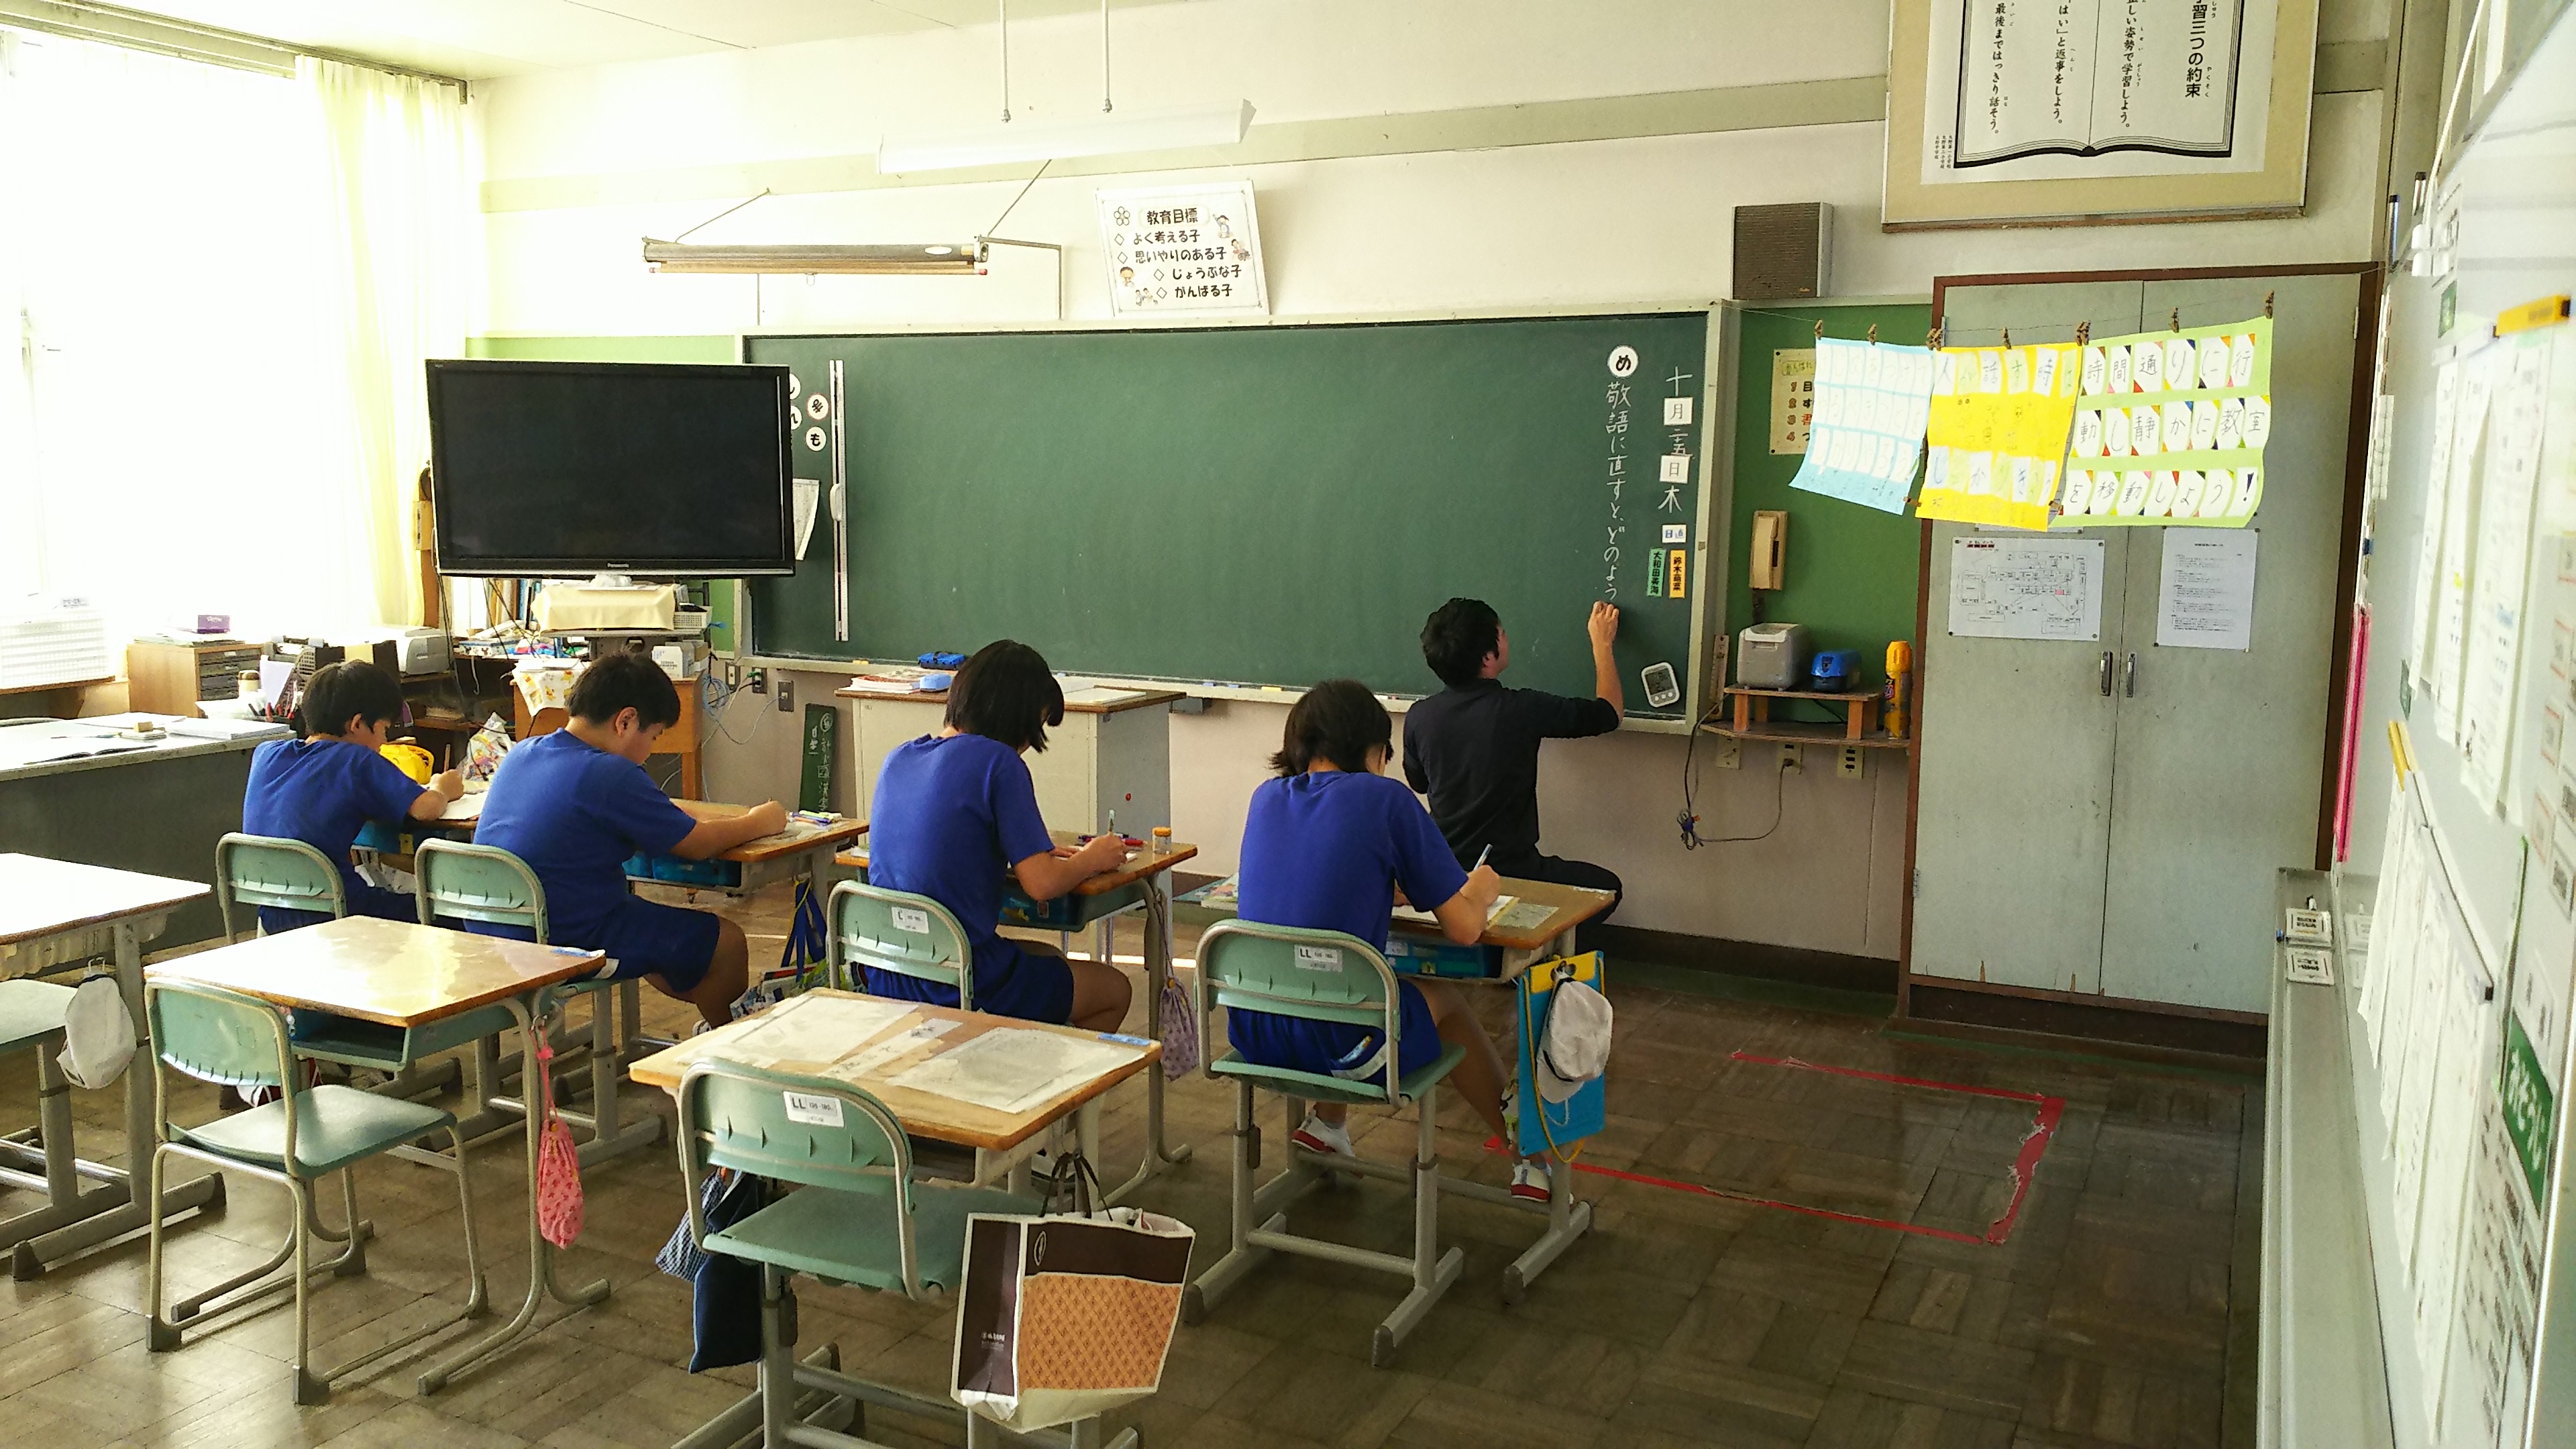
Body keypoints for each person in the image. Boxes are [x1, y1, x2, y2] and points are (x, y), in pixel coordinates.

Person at [1230, 679, 1552, 1201]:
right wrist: (1481, 886)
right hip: (1341, 1047)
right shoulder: (1385, 799)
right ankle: (1531, 1161)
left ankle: (1328, 1123)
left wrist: (1381, 885)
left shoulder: (1266, 798)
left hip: (1255, 1035)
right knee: (1444, 1002)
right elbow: (1464, 928)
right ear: (1372, 749)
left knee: (1354, 985)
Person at [470, 651, 785, 1031]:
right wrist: (759, 820)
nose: (650, 750)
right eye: (653, 736)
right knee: (727, 942)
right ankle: (725, 1043)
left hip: (491, 929)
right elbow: (697, 844)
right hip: (563, 939)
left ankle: (708, 1024)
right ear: (626, 721)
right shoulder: (609, 772)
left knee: (652, 924)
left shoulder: (524, 752)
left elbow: (655, 812)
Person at [863, 639, 1134, 1031]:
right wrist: (1092, 857)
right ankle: (1028, 1069)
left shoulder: (899, 757)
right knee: (1114, 990)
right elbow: (1042, 885)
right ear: (1018, 717)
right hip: (961, 978)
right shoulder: (999, 762)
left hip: (891, 969)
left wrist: (1028, 855)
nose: (1028, 745)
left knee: (1050, 959)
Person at [1403, 598, 1625, 915]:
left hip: (1444, 869)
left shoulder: (1419, 716)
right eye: (1502, 633)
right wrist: (1602, 644)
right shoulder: (1521, 710)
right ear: (1488, 657)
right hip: (1512, 869)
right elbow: (1609, 714)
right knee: (1607, 888)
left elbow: (1419, 784)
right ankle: (1542, 945)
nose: (1506, 637)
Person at [241, 659, 463, 934]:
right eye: (383, 729)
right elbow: (426, 809)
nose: (384, 742)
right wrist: (442, 788)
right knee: (451, 912)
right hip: (339, 914)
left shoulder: (266, 754)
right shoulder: (356, 759)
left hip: (273, 912)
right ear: (358, 724)